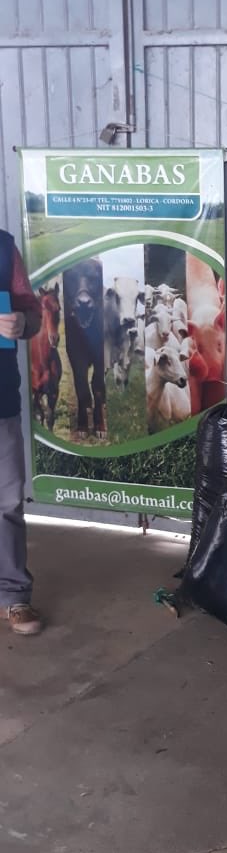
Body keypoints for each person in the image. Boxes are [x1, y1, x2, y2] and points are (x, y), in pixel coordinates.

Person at [0, 230, 43, 636]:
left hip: (1, 403)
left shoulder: (2, 247)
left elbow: (33, 313)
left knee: (7, 501)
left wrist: (21, 322)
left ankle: (13, 596)